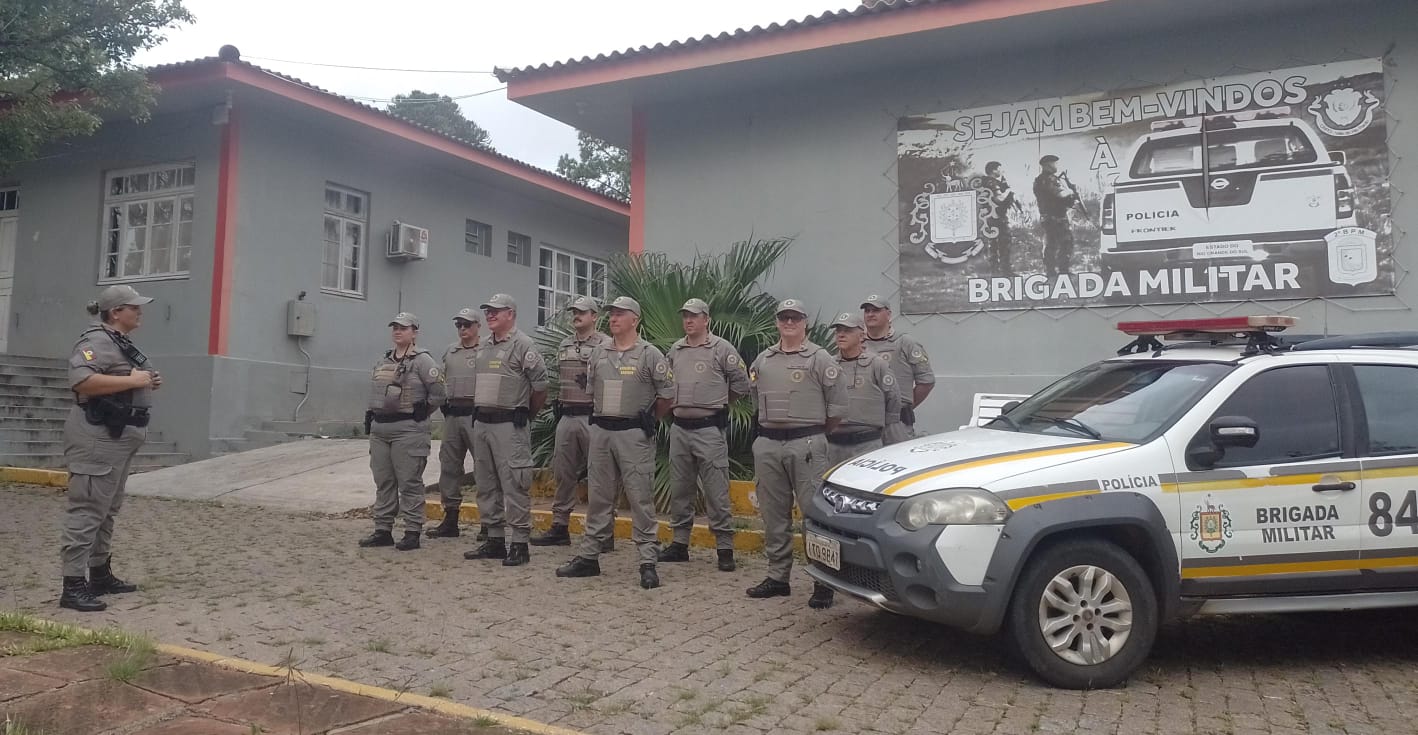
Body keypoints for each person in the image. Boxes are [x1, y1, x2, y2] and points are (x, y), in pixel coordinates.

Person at [555, 296, 675, 589]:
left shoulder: (650, 355)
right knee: (598, 496)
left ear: (635, 320)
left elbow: (667, 395)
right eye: (611, 314)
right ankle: (589, 557)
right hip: (601, 431)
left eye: (620, 314)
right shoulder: (598, 353)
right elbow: (591, 389)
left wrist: (648, 420)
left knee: (639, 497)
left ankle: (647, 560)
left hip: (633, 434)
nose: (614, 318)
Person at [59, 285, 161, 612]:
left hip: (118, 437)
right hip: (97, 436)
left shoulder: (118, 342)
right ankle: (73, 586)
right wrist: (134, 382)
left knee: (107, 509)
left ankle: (99, 574)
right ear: (115, 312)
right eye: (134, 307)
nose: (140, 312)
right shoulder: (96, 341)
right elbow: (82, 381)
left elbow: (121, 378)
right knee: (88, 509)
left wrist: (145, 381)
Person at [745, 299, 847, 609]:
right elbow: (754, 399)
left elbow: (838, 409)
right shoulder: (763, 360)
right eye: (784, 317)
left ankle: (823, 581)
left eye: (795, 318)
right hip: (768, 443)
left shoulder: (821, 359)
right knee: (773, 513)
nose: (789, 322)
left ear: (805, 324)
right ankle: (778, 577)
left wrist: (812, 431)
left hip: (806, 444)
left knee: (814, 515)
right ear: (777, 322)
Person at [661, 298, 751, 571]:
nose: (688, 320)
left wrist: (719, 402)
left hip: (709, 429)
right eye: (685, 316)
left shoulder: (721, 348)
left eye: (694, 316)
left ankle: (724, 547)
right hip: (680, 429)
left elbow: (741, 383)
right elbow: (665, 382)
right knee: (680, 488)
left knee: (716, 490)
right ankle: (679, 543)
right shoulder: (676, 350)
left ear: (706, 319)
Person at [463, 294, 547, 567]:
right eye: (487, 311)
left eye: (495, 312)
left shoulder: (523, 345)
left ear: (510, 313)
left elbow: (541, 387)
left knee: (514, 483)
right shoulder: (484, 345)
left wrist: (525, 414)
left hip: (510, 426)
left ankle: (520, 544)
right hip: (483, 424)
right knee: (486, 483)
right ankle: (495, 539)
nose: (489, 316)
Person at [360, 312, 446, 551]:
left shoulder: (423, 361)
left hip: (408, 429)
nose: (398, 331)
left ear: (414, 332)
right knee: (383, 480)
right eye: (395, 327)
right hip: (381, 429)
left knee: (409, 481)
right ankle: (382, 529)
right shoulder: (384, 360)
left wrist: (422, 413)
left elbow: (439, 392)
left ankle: (412, 530)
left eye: (404, 328)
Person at [531, 295, 611, 548]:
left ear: (595, 316)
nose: (576, 316)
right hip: (566, 415)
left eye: (582, 312)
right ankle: (560, 526)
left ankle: (604, 531)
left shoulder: (606, 345)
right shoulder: (564, 344)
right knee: (563, 473)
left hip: (592, 417)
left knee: (600, 476)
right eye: (574, 312)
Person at [428, 308, 480, 539]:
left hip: (478, 415)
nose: (463, 329)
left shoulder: (486, 350)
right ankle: (450, 519)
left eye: (467, 324)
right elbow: (442, 380)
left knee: (484, 468)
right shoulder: (450, 351)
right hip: (453, 415)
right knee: (449, 466)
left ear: (478, 326)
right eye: (459, 325)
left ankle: (489, 523)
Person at [826, 312, 900, 466]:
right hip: (833, 445)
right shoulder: (828, 365)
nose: (841, 335)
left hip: (867, 444)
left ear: (861, 336)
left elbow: (893, 399)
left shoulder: (876, 365)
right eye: (838, 331)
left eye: (847, 331)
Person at [860, 295, 935, 444]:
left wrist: (904, 407)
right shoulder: (859, 344)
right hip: (865, 424)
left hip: (897, 424)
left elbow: (926, 382)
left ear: (888, 315)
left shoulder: (905, 343)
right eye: (867, 311)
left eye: (876, 310)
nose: (870, 314)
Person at [1032, 154, 1080, 277]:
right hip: (1055, 217)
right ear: (1048, 165)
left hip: (1050, 216)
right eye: (1055, 163)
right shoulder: (1047, 179)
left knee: (1051, 244)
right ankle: (1061, 271)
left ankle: (1052, 271)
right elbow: (1059, 195)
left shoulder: (1042, 179)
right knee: (1065, 243)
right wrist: (1070, 191)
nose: (1056, 166)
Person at [982, 161, 1023, 276]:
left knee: (999, 244)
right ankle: (1002, 271)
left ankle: (1000, 271)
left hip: (995, 216)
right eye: (999, 168)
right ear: (993, 170)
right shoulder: (990, 182)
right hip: (994, 217)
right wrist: (1008, 191)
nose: (1001, 171)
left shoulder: (992, 182)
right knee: (1000, 243)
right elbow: (999, 198)